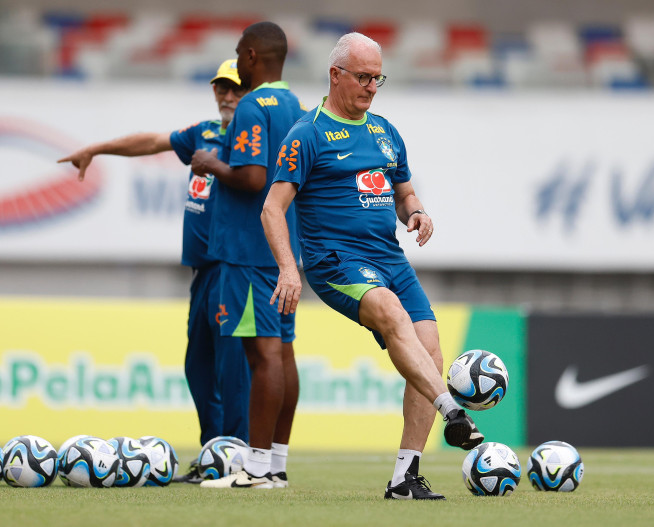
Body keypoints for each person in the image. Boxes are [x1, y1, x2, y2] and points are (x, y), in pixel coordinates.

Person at [261, 32, 484, 501]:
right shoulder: (308, 133)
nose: (371, 87)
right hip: (336, 261)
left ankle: (405, 477)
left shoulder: (384, 130)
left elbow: (404, 194)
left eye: (377, 78)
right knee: (389, 312)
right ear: (335, 75)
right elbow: (272, 208)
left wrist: (417, 213)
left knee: (429, 346)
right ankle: (452, 411)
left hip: (389, 257)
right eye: (362, 77)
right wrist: (287, 269)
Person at [55, 60, 297, 485]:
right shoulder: (204, 132)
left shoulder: (255, 139)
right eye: (220, 87)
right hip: (203, 269)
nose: (225, 95)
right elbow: (152, 141)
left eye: (234, 87)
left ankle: (239, 457)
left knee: (236, 367)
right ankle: (213, 454)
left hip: (235, 263)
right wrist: (97, 148)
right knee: (199, 367)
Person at [190, 22, 306, 490]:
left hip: (247, 251)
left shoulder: (253, 106)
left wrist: (212, 163)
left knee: (262, 358)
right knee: (283, 354)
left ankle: (256, 469)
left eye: (239, 53)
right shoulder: (297, 106)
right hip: (283, 251)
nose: (236, 62)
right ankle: (275, 463)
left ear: (254, 56)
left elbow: (253, 178)